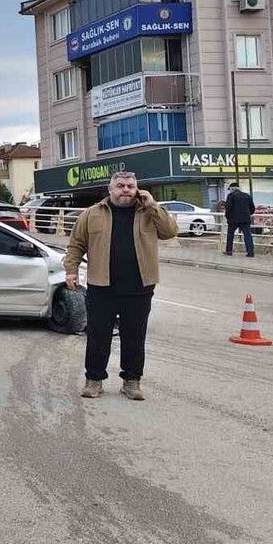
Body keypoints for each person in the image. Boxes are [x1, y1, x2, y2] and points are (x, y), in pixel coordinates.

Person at [64, 171, 177, 401]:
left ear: (137, 189)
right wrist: (71, 270)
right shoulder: (91, 214)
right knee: (98, 336)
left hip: (139, 287)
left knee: (134, 336)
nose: (125, 190)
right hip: (101, 286)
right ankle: (94, 380)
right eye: (120, 186)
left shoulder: (149, 213)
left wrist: (153, 205)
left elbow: (170, 232)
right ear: (110, 190)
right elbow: (76, 244)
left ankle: (131, 381)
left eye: (130, 186)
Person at [224, 182, 256, 257]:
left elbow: (228, 208)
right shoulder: (247, 195)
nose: (229, 191)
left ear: (232, 189)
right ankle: (250, 253)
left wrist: (228, 217)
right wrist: (247, 215)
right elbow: (252, 208)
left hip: (233, 220)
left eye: (230, 189)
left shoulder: (231, 196)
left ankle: (229, 251)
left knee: (230, 235)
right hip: (245, 220)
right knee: (248, 236)